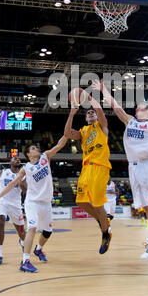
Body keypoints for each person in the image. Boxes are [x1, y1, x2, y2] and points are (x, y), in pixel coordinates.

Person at [92, 79, 148, 260]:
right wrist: (103, 90)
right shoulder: (130, 121)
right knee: (145, 206)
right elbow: (116, 106)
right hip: (133, 167)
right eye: (141, 107)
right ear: (136, 111)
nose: (144, 109)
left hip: (146, 166)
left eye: (146, 108)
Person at [0, 136, 67, 272]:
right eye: (33, 148)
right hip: (32, 202)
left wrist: (67, 132)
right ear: (28, 154)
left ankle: (38, 249)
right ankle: (25, 261)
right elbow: (12, 184)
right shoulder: (25, 168)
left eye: (36, 148)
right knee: (32, 228)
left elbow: (59, 145)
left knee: (48, 232)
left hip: (46, 203)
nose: (36, 149)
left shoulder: (45, 157)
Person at [64, 92, 112, 254]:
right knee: (81, 202)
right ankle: (102, 220)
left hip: (100, 166)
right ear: (85, 119)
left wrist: (90, 98)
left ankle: (106, 234)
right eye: (88, 113)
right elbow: (67, 134)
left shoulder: (102, 126)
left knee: (98, 204)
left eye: (92, 112)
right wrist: (71, 113)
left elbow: (100, 112)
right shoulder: (83, 131)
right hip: (86, 169)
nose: (90, 113)